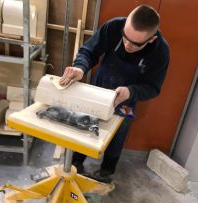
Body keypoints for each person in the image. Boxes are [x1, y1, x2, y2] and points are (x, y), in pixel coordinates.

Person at [60, 4, 170, 183]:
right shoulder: (113, 27)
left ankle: (106, 171)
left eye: (135, 43)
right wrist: (80, 68)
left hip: (126, 100)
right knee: (85, 126)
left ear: (151, 39)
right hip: (99, 87)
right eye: (125, 37)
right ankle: (76, 162)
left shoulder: (161, 52)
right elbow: (88, 51)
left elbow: (153, 88)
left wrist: (131, 91)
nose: (127, 44)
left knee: (118, 134)